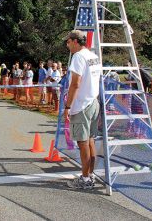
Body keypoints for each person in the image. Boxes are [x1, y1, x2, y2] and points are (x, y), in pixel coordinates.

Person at [63, 30, 101, 190]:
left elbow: (75, 84)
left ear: (75, 41)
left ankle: (85, 179)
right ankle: (90, 174)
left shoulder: (78, 57)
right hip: (93, 102)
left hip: (82, 105)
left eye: (68, 42)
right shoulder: (93, 56)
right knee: (90, 141)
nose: (67, 45)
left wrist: (68, 106)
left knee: (83, 143)